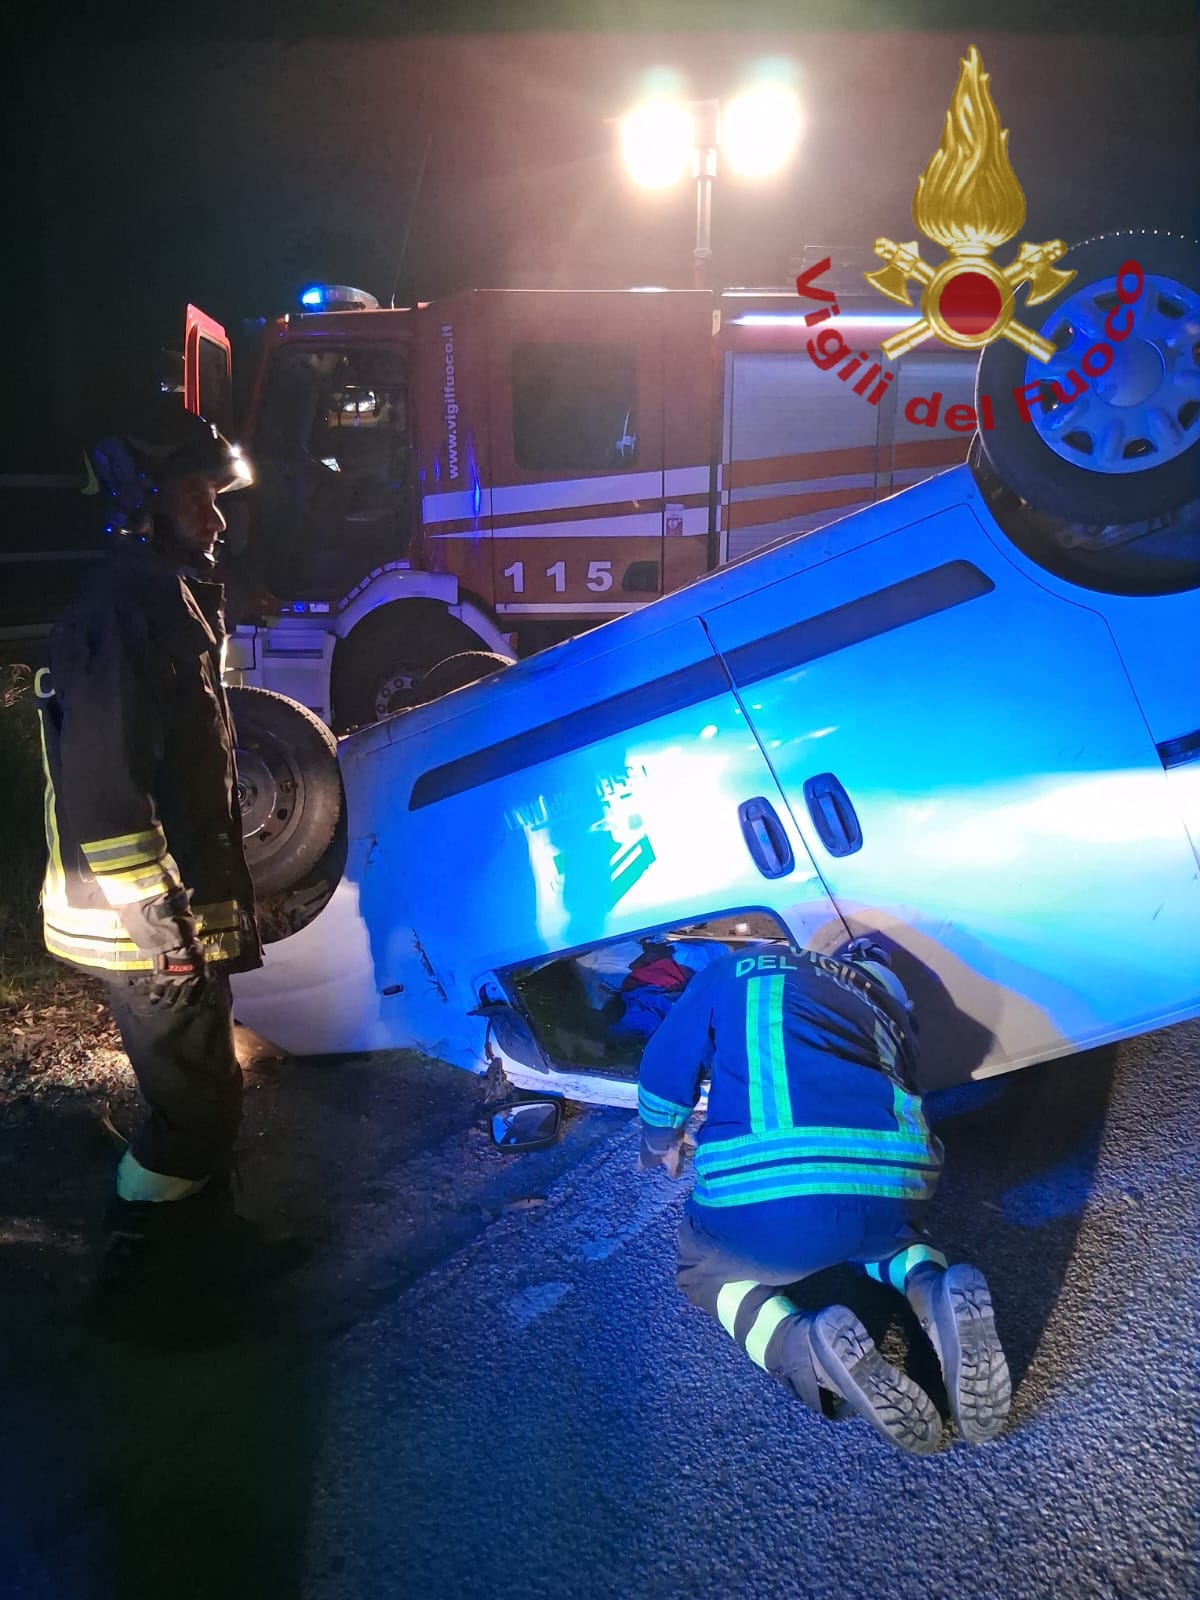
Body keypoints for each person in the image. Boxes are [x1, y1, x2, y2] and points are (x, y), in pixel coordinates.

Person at [39, 396, 300, 1336]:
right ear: (141, 503)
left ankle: (208, 1249)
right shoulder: (124, 611)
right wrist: (162, 928)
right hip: (142, 923)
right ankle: (138, 1268)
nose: (217, 519)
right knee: (192, 1109)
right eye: (199, 496)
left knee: (209, 1090)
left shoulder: (162, 595)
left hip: (171, 914)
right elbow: (108, 796)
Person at [636, 934, 1011, 1454]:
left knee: (700, 1269)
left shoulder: (740, 967)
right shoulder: (885, 1006)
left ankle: (803, 1347)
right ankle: (933, 1288)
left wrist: (660, 1139)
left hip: (772, 1194)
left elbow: (666, 1063)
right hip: (895, 1181)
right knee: (888, 1235)